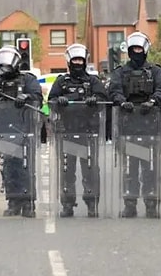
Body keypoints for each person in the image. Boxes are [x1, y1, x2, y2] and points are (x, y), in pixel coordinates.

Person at [107, 31, 161, 218]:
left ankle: (151, 203)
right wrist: (121, 101)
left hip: (150, 126)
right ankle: (130, 203)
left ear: (145, 50)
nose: (136, 52)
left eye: (139, 49)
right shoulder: (120, 72)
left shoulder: (156, 71)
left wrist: (153, 102)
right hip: (127, 127)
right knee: (129, 169)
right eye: (133, 49)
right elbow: (113, 90)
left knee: (150, 169)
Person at [48, 43, 107, 218]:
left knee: (90, 170)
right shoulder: (61, 81)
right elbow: (48, 104)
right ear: (69, 61)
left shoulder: (93, 81)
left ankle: (92, 203)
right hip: (66, 131)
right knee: (66, 170)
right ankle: (67, 203)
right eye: (75, 60)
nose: (78, 63)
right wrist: (59, 101)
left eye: (80, 59)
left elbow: (104, 100)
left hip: (88, 132)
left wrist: (94, 100)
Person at [0, 45, 43, 217]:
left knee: (25, 166)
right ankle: (14, 201)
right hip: (4, 128)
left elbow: (37, 97)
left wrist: (27, 97)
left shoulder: (27, 80)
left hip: (24, 128)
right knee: (9, 167)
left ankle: (28, 202)